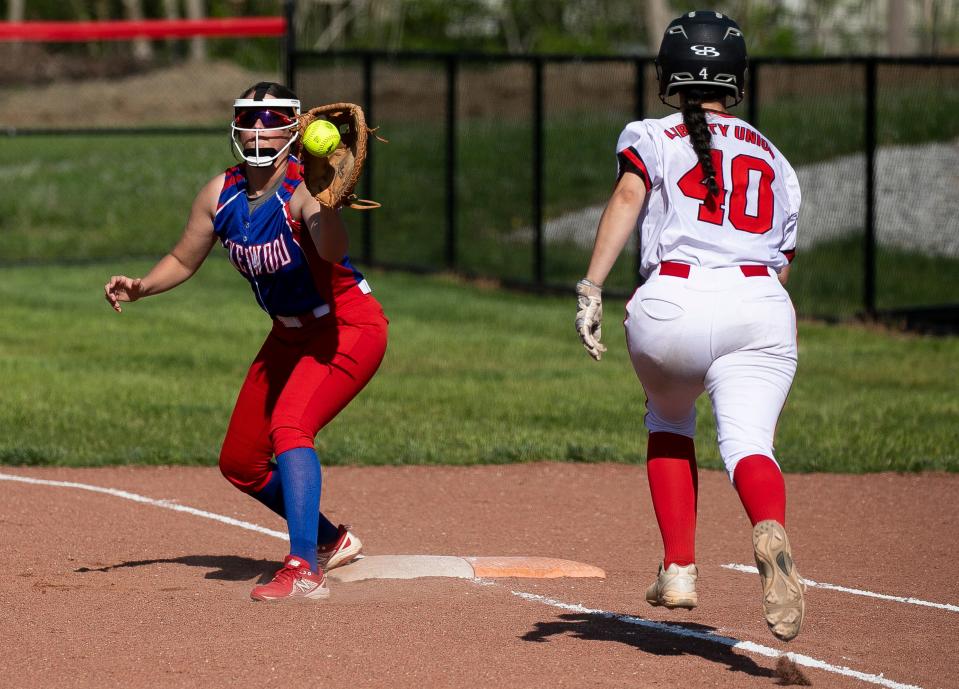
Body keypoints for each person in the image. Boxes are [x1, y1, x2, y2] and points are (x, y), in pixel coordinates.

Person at [104, 82, 387, 602]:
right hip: (287, 335)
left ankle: (303, 566)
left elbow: (332, 250)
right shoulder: (222, 192)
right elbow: (184, 259)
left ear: (295, 127)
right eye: (248, 119)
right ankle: (331, 539)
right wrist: (142, 286)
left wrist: (327, 203)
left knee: (291, 426)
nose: (258, 129)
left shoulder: (305, 189)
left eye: (272, 118)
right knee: (241, 461)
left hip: (347, 327)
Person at [574, 12, 805, 642]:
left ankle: (678, 568)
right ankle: (768, 524)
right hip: (759, 303)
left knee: (670, 420)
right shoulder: (774, 157)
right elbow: (781, 266)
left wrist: (593, 285)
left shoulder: (651, 133)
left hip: (671, 303)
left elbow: (628, 198)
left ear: (669, 75)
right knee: (749, 446)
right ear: (735, 79)